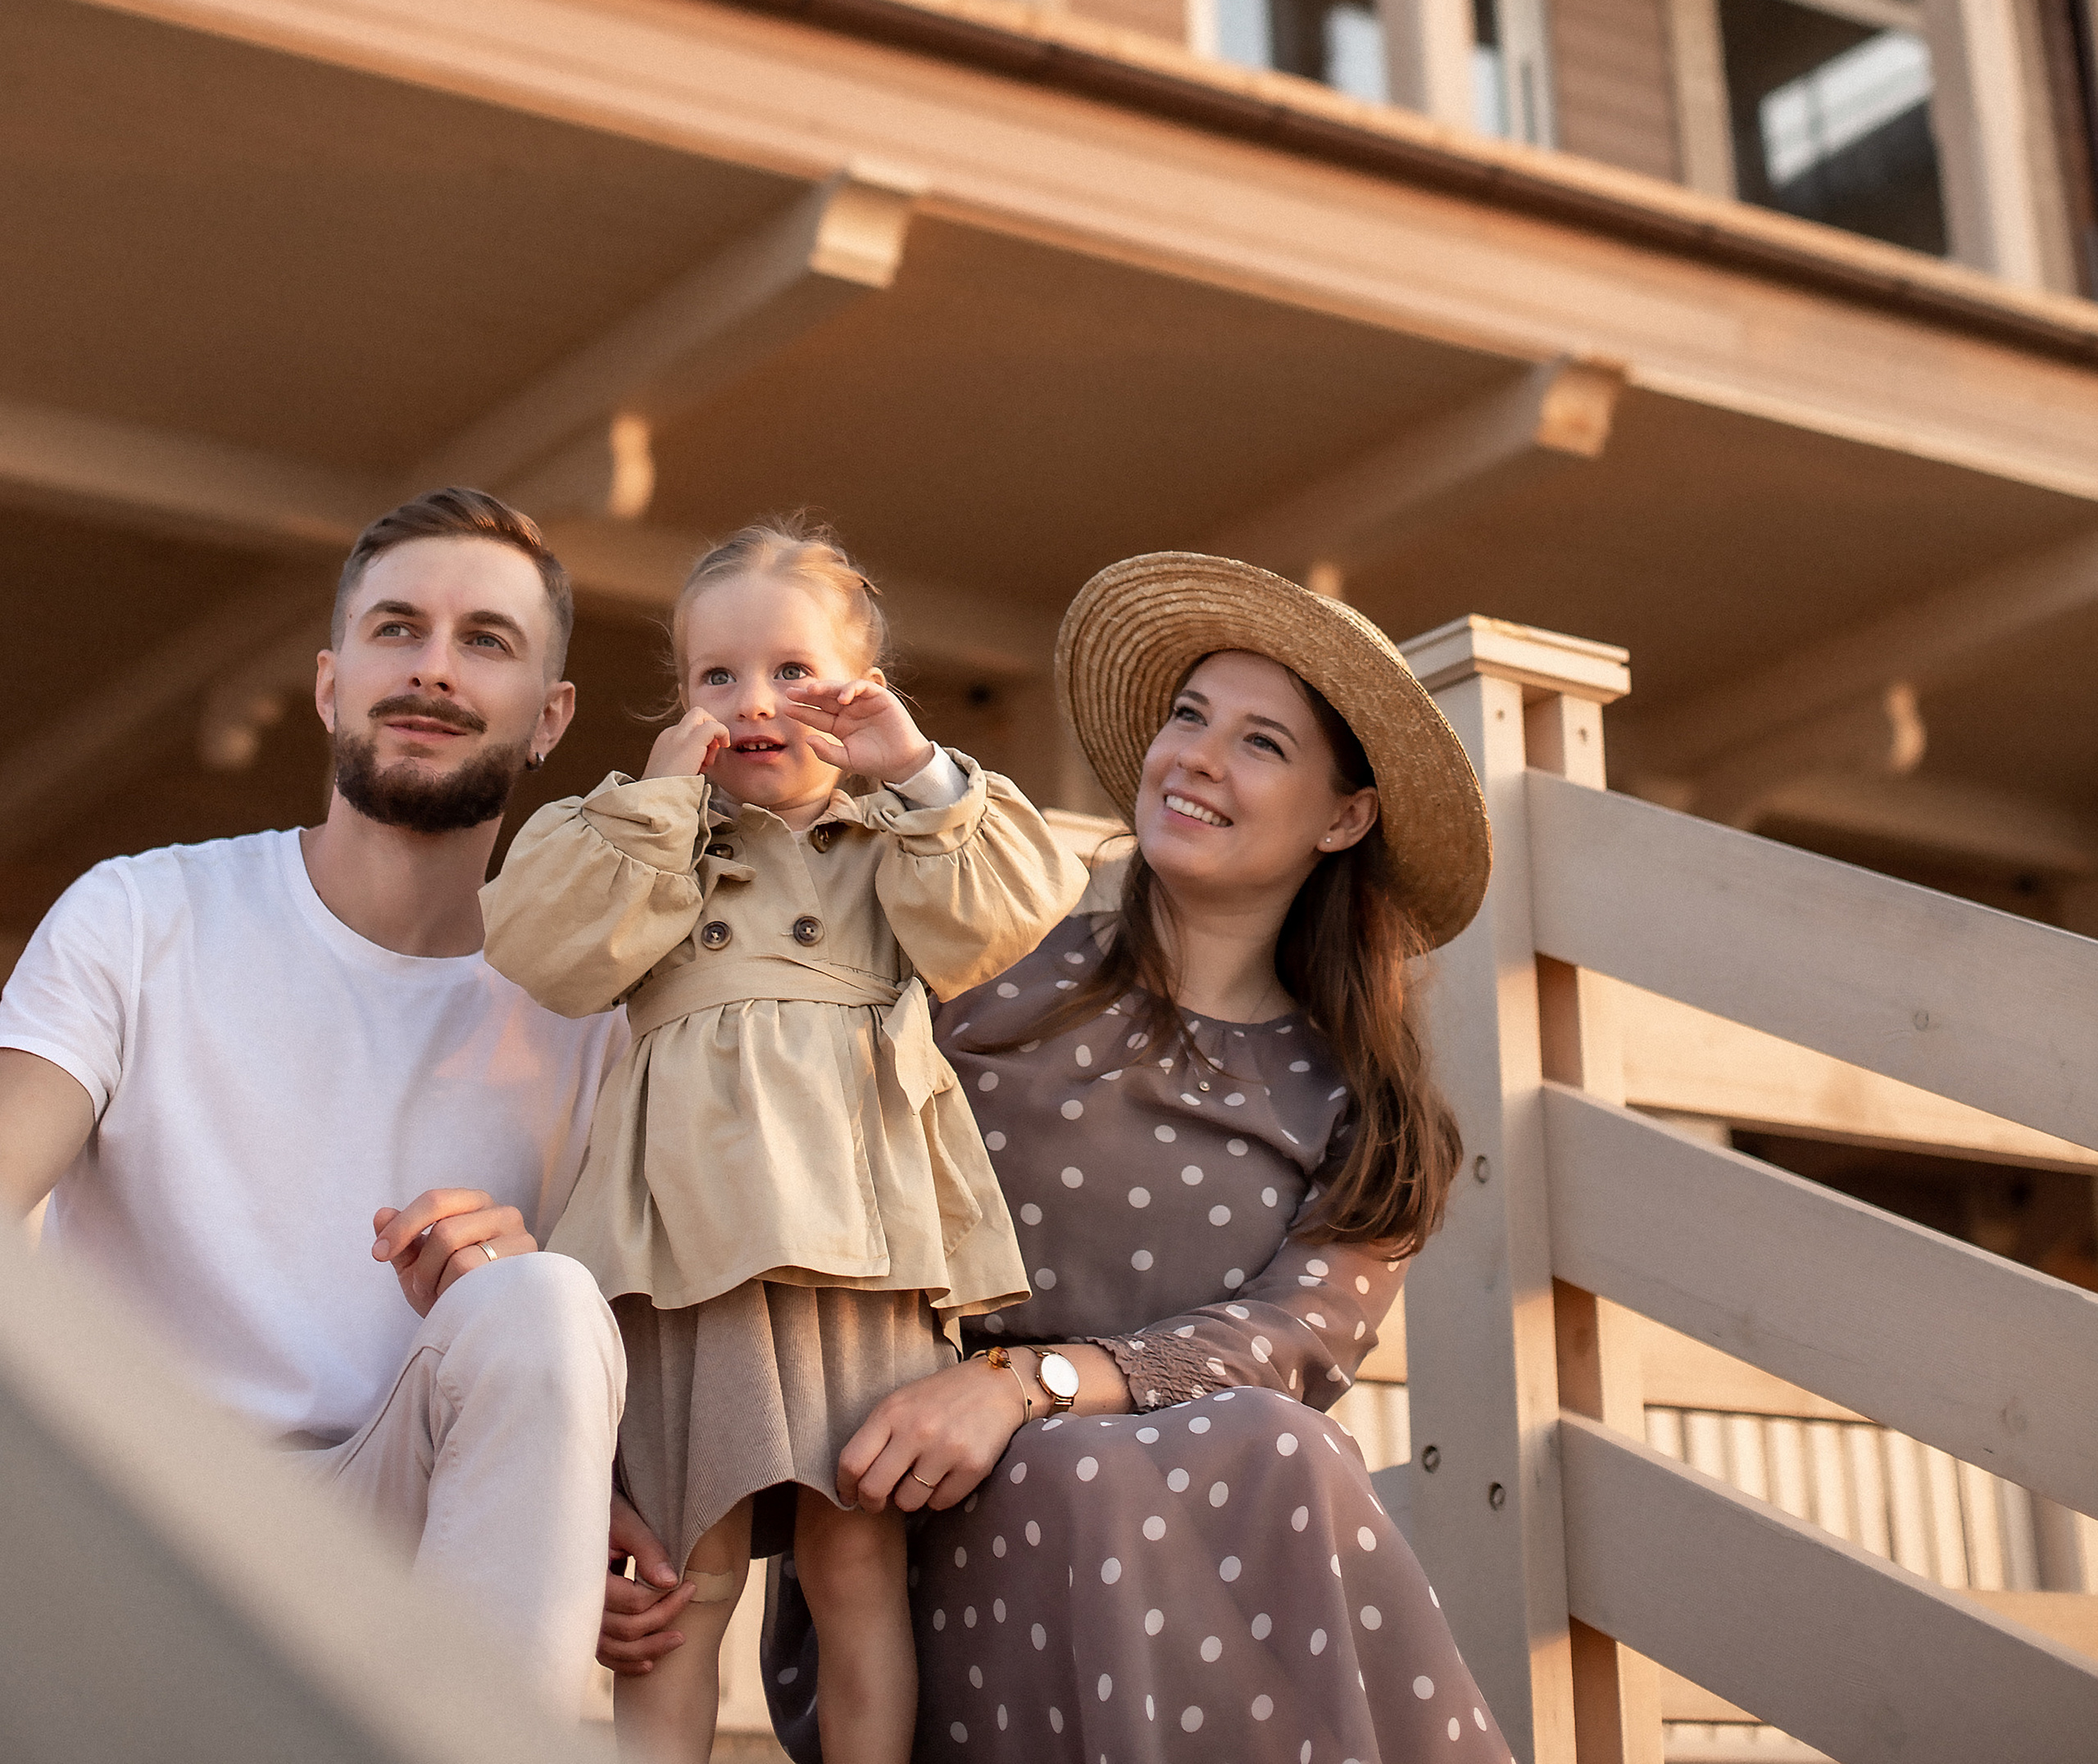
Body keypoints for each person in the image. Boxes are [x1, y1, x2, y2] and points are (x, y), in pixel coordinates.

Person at [611, 547, 1518, 1762]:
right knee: (1139, 1472)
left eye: (1262, 742)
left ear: (1345, 815)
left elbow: (1290, 1345)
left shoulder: (1355, 1103)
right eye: (1189, 716)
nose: (1195, 754)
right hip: (907, 1520)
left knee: (1275, 1445)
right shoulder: (978, 958)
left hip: (1190, 1526)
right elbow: (719, 1125)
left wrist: (1023, 1388)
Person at [0, 486, 629, 1715]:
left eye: (485, 642)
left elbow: (609, 1353)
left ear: (550, 717)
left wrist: (627, 1505)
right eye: (398, 630)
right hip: (138, 1519)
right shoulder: (142, 916)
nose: (433, 671)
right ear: (333, 682)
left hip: (395, 1546)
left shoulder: (593, 1010)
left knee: (542, 1300)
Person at [482, 518, 1087, 1764]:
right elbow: (542, 951)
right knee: (681, 1584)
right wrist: (655, 805)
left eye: (794, 672)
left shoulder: (895, 844)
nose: (754, 701)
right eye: (718, 676)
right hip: (687, 1257)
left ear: (861, 688)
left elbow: (1011, 911)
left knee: (856, 1559)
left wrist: (913, 766)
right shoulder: (649, 840)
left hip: (863, 1243)